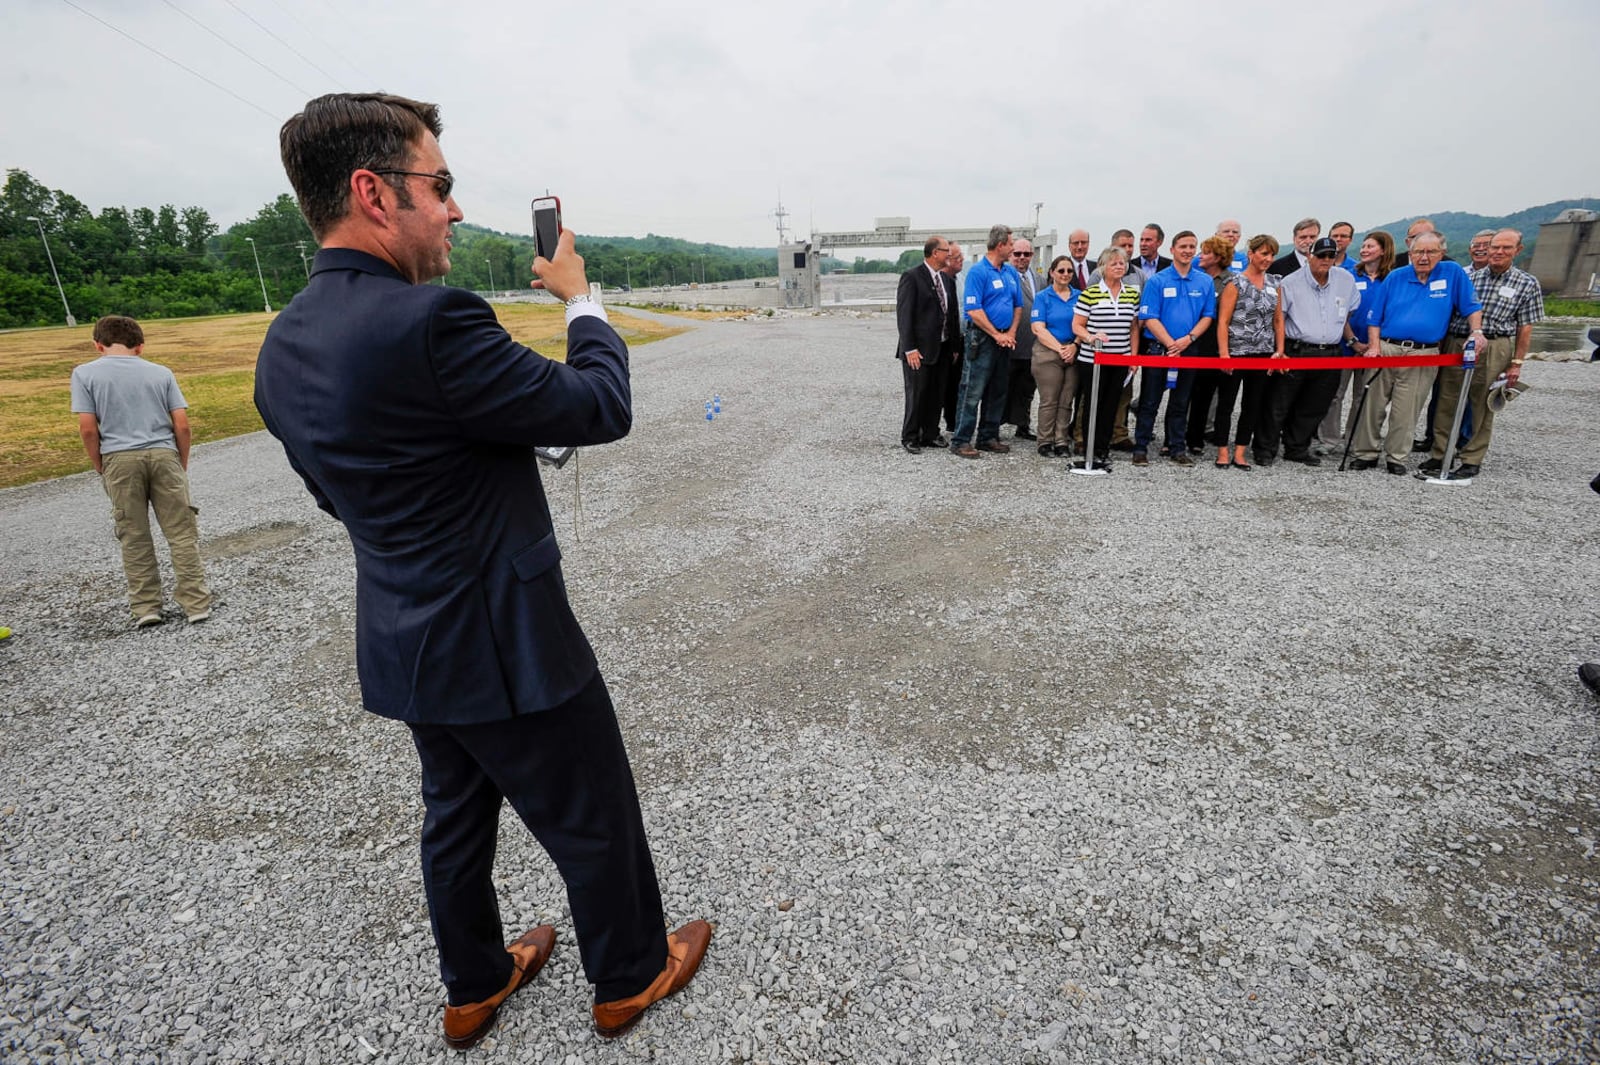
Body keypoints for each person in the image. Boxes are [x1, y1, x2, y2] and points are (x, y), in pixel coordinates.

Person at [253, 92, 710, 1049]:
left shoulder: (283, 343)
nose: (456, 209)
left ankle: (475, 981)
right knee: (591, 806)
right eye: (442, 185)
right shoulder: (434, 321)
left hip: (403, 630)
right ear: (375, 193)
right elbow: (597, 404)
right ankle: (629, 973)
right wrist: (580, 297)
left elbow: (338, 492)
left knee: (454, 817)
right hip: (508, 637)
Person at [71, 315, 213, 628]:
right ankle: (196, 603)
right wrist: (180, 462)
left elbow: (88, 429)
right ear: (141, 346)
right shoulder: (161, 373)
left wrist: (102, 466)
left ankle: (147, 607)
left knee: (133, 535)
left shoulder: (85, 374)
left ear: (98, 344)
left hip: (119, 458)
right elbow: (182, 424)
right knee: (181, 532)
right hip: (164, 455)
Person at [1350, 231, 1484, 474]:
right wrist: (1375, 347)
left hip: (1424, 353)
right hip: (1387, 347)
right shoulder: (1396, 277)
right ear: (1410, 253)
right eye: (1418, 252)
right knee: (1372, 405)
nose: (1424, 257)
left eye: (1431, 252)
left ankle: (1396, 457)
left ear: (1441, 253)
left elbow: (1472, 307)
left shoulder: (1453, 273)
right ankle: (1365, 453)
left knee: (1407, 408)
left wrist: (1476, 332)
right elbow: (1375, 317)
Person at [1420, 228, 1545, 479]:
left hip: (1495, 344)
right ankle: (1440, 452)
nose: (1498, 252)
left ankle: (1472, 458)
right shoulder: (1466, 277)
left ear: (1517, 251)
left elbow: (1525, 327)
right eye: (1494, 247)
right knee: (1446, 399)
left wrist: (1516, 363)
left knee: (1482, 403)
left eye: (1505, 248)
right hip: (1457, 342)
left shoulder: (1527, 283)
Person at [1270, 237, 1361, 466]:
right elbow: (1279, 318)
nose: (1326, 260)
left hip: (1330, 351)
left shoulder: (1346, 280)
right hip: (1298, 349)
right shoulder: (1291, 282)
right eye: (1321, 255)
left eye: (1331, 255)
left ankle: (1297, 448)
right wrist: (1280, 351)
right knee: (1280, 403)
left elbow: (1349, 311)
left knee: (1316, 404)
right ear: (1310, 255)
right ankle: (1266, 448)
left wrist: (1349, 339)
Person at [1134, 230, 1215, 467]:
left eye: (1192, 246)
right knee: (1150, 401)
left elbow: (1207, 316)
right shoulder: (1157, 281)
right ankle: (1141, 447)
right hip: (1159, 348)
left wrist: (1187, 340)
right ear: (1172, 249)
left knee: (1181, 402)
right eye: (1183, 246)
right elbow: (1149, 316)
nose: (1188, 251)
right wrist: (1170, 343)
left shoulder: (1205, 281)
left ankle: (1177, 447)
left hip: (1188, 349)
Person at [953, 224, 1024, 458]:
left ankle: (988, 436)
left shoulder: (1010, 272)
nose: (1013, 249)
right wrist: (996, 334)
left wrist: (1010, 333)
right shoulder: (978, 272)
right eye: (1011, 244)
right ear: (1000, 244)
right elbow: (974, 309)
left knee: (998, 390)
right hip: (982, 338)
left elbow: (1018, 306)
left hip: (1005, 338)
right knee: (972, 389)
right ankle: (961, 440)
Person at [1215, 235, 1284, 470]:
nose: (1268, 259)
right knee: (1227, 403)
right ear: (1251, 254)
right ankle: (1222, 450)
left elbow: (1278, 320)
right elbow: (1223, 321)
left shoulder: (1275, 283)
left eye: (1271, 254)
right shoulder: (1235, 283)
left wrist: (1280, 351)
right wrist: (1224, 354)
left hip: (1263, 352)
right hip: (1236, 351)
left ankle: (1241, 451)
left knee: (1252, 404)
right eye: (1264, 253)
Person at [1319, 231, 1393, 447]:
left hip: (1375, 347)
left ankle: (1353, 437)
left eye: (1370, 246)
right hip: (1345, 344)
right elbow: (1338, 312)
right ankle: (1329, 440)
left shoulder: (1391, 279)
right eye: (1363, 246)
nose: (1364, 250)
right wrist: (1353, 341)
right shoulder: (1348, 275)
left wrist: (1374, 343)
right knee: (1335, 395)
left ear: (1384, 250)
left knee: (1364, 396)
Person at [1071, 246, 1142, 470]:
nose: (1119, 266)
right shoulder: (1090, 293)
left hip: (1119, 359)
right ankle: (1087, 445)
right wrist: (1091, 337)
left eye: (1122, 263)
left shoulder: (1132, 293)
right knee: (1093, 402)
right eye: (1114, 263)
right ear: (1104, 267)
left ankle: (1103, 447)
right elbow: (1077, 325)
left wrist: (1133, 357)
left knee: (1112, 404)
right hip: (1092, 359)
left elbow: (1133, 329)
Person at [895, 235, 957, 453]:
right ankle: (910, 436)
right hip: (918, 351)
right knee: (917, 394)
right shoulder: (912, 277)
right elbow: (904, 316)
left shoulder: (947, 280)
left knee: (936, 393)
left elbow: (953, 315)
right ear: (934, 253)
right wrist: (909, 348)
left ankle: (930, 433)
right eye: (946, 250)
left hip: (942, 348)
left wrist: (955, 347)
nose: (949, 254)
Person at [1185, 236, 1242, 462]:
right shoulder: (1196, 278)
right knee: (1192, 392)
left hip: (1220, 342)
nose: (1201, 256)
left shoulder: (1231, 281)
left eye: (1206, 252)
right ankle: (1186, 437)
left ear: (1218, 257)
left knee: (1215, 395)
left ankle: (1209, 438)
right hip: (1197, 339)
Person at [1030, 254, 1081, 457]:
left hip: (1073, 351)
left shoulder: (1080, 296)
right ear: (1052, 273)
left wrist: (1075, 346)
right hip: (1048, 353)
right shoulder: (1043, 297)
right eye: (1061, 270)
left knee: (1066, 399)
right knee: (1050, 399)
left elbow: (1084, 324)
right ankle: (1045, 440)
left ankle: (1061, 440)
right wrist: (1060, 348)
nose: (1065, 274)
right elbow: (1038, 328)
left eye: (1069, 270)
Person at [1004, 238, 1043, 440]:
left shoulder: (1039, 279)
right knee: (1004, 387)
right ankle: (994, 426)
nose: (1021, 258)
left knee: (1027, 388)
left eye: (1026, 254)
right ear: (1010, 255)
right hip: (1011, 343)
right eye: (1017, 254)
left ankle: (1023, 425)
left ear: (1031, 256)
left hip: (1033, 345)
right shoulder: (1005, 276)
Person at [939, 243, 965, 436]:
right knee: (941, 383)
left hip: (961, 339)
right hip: (942, 341)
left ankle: (953, 420)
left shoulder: (961, 279)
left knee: (957, 383)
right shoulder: (939, 280)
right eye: (958, 258)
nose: (961, 261)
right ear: (947, 259)